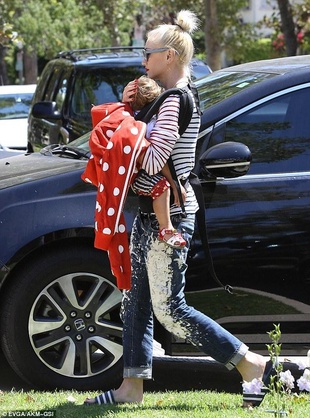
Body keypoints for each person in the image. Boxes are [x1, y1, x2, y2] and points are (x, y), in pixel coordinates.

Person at [84, 9, 272, 409]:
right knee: (134, 298)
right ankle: (130, 390)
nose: (143, 61)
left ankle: (250, 363)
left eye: (147, 53)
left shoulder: (174, 101)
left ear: (169, 56)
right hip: (153, 213)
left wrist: (123, 139)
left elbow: (153, 161)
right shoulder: (175, 97)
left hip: (170, 215)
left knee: (170, 310)